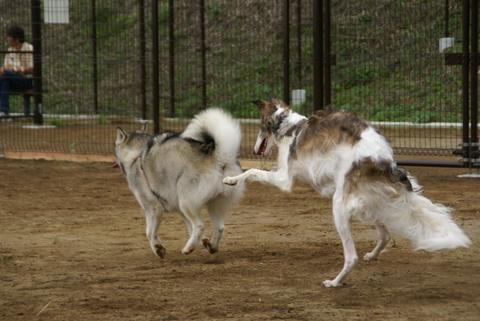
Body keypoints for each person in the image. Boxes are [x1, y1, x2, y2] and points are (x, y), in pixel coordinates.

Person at [0, 25, 34, 117]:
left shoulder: (29, 48)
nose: (7, 40)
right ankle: (4, 112)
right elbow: (5, 66)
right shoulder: (10, 50)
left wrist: (15, 69)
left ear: (17, 39)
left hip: (28, 81)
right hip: (12, 79)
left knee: (5, 75)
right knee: (4, 80)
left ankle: (4, 111)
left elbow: (32, 69)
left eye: (9, 38)